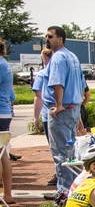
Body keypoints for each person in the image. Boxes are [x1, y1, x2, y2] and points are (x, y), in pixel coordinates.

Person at [44, 26, 86, 205]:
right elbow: (82, 86)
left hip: (63, 110)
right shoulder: (72, 56)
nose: (47, 39)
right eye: (46, 36)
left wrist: (59, 105)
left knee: (62, 154)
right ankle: (74, 190)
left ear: (60, 38)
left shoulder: (59, 57)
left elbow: (57, 83)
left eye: (50, 36)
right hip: (73, 108)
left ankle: (64, 194)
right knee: (71, 154)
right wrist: (78, 115)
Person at [32, 48, 56, 186]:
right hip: (65, 112)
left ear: (44, 58)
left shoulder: (42, 74)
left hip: (49, 116)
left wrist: (35, 117)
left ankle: (60, 176)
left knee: (55, 148)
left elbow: (38, 97)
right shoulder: (63, 72)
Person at [0, 39, 15, 204]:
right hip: (4, 112)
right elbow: (12, 95)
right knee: (3, 153)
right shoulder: (5, 64)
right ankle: (7, 194)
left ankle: (6, 194)